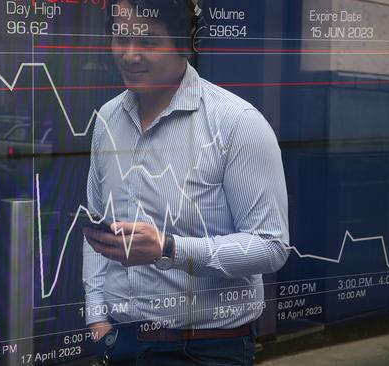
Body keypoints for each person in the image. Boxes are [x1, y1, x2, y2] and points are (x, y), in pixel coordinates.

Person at [82, 0, 289, 364]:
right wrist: (97, 318)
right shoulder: (107, 121)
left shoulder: (237, 124)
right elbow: (99, 233)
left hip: (207, 349)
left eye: (147, 41)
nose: (129, 55)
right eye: (120, 37)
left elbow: (271, 247)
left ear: (185, 42)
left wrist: (170, 248)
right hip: (122, 343)